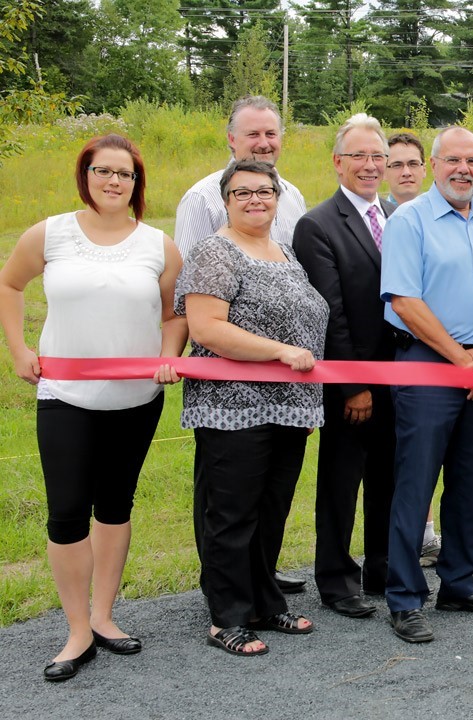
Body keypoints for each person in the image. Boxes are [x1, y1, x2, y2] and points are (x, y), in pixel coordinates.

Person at [0, 134, 185, 681]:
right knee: (66, 512)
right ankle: (76, 629)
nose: (113, 181)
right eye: (102, 171)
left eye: (124, 174)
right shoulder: (51, 233)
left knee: (115, 506)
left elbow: (175, 316)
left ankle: (105, 617)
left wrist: (167, 357)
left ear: (137, 183)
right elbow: (10, 284)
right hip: (65, 396)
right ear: (85, 176)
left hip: (136, 398)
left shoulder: (159, 245)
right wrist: (18, 349)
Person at [177, 159, 329, 656]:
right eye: (242, 192)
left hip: (289, 408)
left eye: (264, 191)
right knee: (232, 513)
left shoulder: (285, 252)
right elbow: (207, 328)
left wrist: (305, 394)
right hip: (232, 408)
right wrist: (280, 351)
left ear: (277, 198)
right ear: (225, 200)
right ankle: (227, 617)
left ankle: (265, 602)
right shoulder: (213, 253)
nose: (255, 199)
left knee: (270, 511)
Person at [380, 126, 473, 644]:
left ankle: (459, 583)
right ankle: (405, 598)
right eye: (453, 160)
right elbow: (404, 302)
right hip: (427, 364)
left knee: (470, 482)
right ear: (434, 165)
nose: (464, 169)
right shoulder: (410, 221)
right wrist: (462, 359)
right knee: (415, 485)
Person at [174, 94, 309, 595]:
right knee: (225, 493)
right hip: (226, 382)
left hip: (286, 386)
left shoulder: (291, 194)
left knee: (266, 494)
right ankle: (223, 590)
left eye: (271, 133)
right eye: (252, 134)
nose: (263, 142)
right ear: (231, 139)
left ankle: (259, 579)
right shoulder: (202, 199)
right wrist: (183, 360)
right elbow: (190, 296)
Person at [294, 114, 396, 620]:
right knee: (341, 479)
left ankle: (381, 567)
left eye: (377, 156)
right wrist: (353, 384)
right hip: (349, 381)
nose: (370, 165)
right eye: (358, 155)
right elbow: (328, 313)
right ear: (337, 162)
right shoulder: (317, 225)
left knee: (389, 478)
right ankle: (335, 578)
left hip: (404, 375)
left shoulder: (402, 213)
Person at [381, 130, 442, 567]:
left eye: (412, 164)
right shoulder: (378, 217)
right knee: (391, 464)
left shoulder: (441, 217)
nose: (405, 171)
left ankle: (426, 533)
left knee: (427, 455)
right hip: (377, 358)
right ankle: (385, 560)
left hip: (431, 357)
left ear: (426, 169)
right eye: (395, 164)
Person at [386, 132, 428, 209]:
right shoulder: (375, 219)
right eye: (397, 165)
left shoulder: (442, 219)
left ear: (424, 170)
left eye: (413, 164)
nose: (406, 173)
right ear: (384, 173)